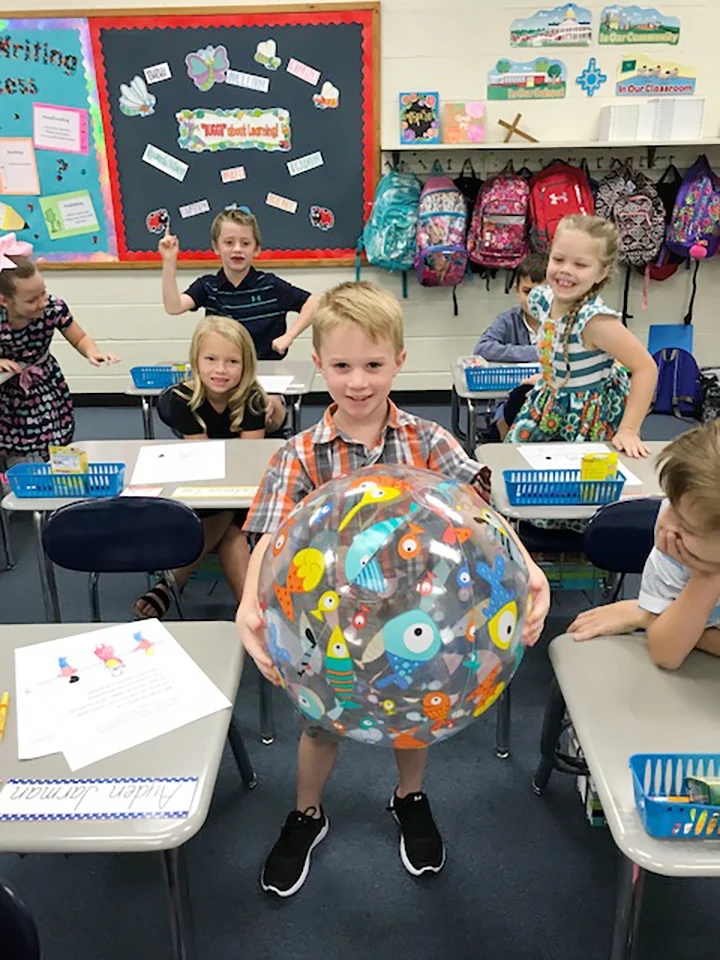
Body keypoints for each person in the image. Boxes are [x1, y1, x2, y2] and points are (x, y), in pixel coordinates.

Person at [236, 280, 551, 898]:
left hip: (418, 616)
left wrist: (529, 568)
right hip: (327, 626)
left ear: (399, 362)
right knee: (321, 726)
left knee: (416, 716)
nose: (358, 382)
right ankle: (306, 812)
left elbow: (482, 520)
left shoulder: (429, 442)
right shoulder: (298, 455)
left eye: (374, 365)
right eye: (342, 366)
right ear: (318, 363)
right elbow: (270, 539)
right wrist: (249, 603)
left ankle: (409, 796)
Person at [134, 315, 267, 619]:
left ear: (246, 364)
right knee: (230, 533)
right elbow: (204, 458)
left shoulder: (253, 398)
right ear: (196, 360)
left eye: (232, 361)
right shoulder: (182, 398)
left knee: (229, 515)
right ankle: (256, 615)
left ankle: (172, 582)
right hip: (203, 488)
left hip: (246, 488)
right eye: (211, 359)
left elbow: (250, 457)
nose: (220, 370)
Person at [569, 422, 720, 670]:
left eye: (688, 527)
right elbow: (667, 653)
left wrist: (648, 617)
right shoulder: (676, 545)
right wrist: (708, 576)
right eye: (670, 503)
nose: (666, 523)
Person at [504, 215, 657, 458]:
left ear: (601, 273)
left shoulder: (595, 322)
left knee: (579, 473)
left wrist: (629, 430)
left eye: (580, 265)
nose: (566, 270)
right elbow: (557, 342)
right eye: (558, 259)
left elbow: (646, 368)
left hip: (587, 415)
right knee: (516, 459)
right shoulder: (541, 298)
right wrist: (551, 375)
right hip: (549, 401)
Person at [158, 208, 318, 432]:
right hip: (220, 380)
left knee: (268, 411)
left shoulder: (270, 286)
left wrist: (289, 336)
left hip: (264, 378)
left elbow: (314, 303)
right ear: (216, 247)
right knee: (188, 408)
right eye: (229, 242)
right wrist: (169, 261)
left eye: (245, 243)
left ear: (256, 248)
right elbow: (174, 307)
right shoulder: (208, 286)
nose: (237, 249)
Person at [0, 234, 119, 491]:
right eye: (31, 299)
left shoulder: (53, 308)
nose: (41, 302)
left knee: (55, 437)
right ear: (4, 300)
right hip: (8, 395)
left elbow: (80, 337)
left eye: (43, 293)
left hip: (44, 384)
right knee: (14, 447)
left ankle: (58, 488)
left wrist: (92, 352)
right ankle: (17, 488)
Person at [473, 253, 546, 363]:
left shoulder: (565, 322)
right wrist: (536, 352)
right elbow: (482, 349)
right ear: (517, 290)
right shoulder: (508, 320)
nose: (534, 300)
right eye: (527, 292)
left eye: (542, 293)